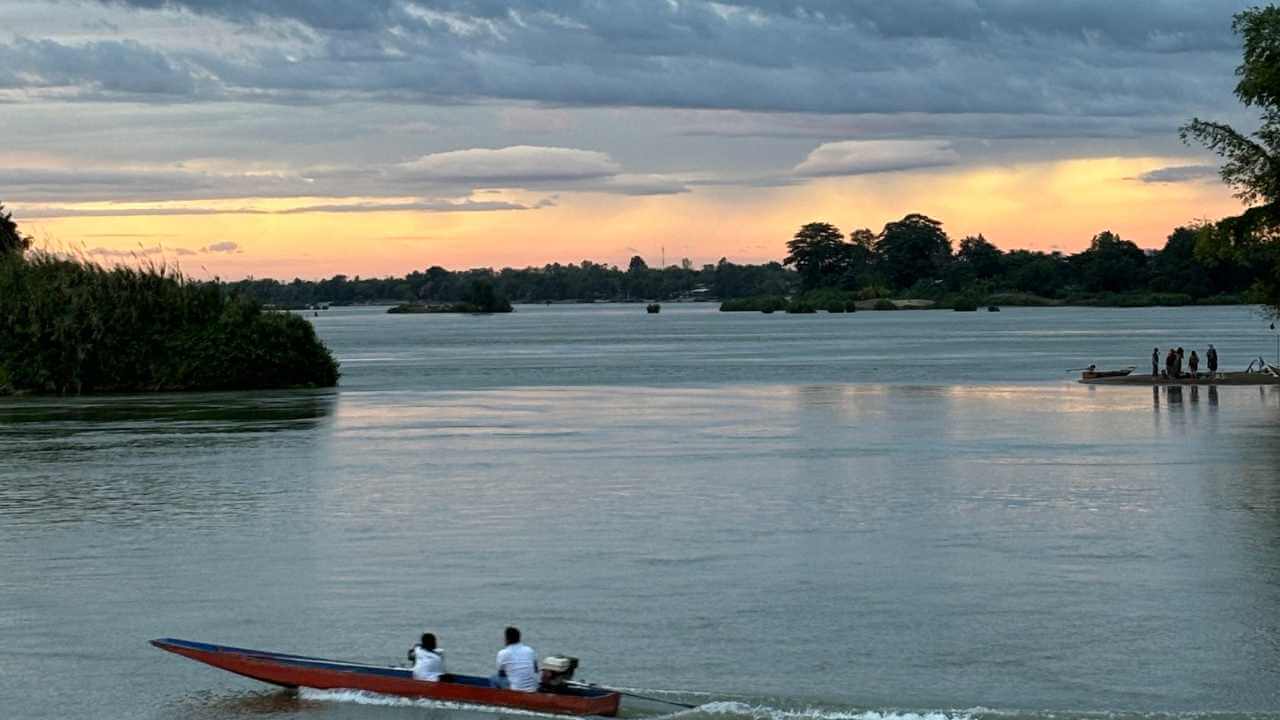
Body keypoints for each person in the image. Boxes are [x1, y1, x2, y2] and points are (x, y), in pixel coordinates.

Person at [492, 626, 538, 692]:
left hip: (516, 690)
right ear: (519, 638)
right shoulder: (529, 650)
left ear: (507, 639)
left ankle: (498, 697)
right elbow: (535, 670)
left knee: (494, 678)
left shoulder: (503, 653)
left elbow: (501, 674)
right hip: (533, 688)